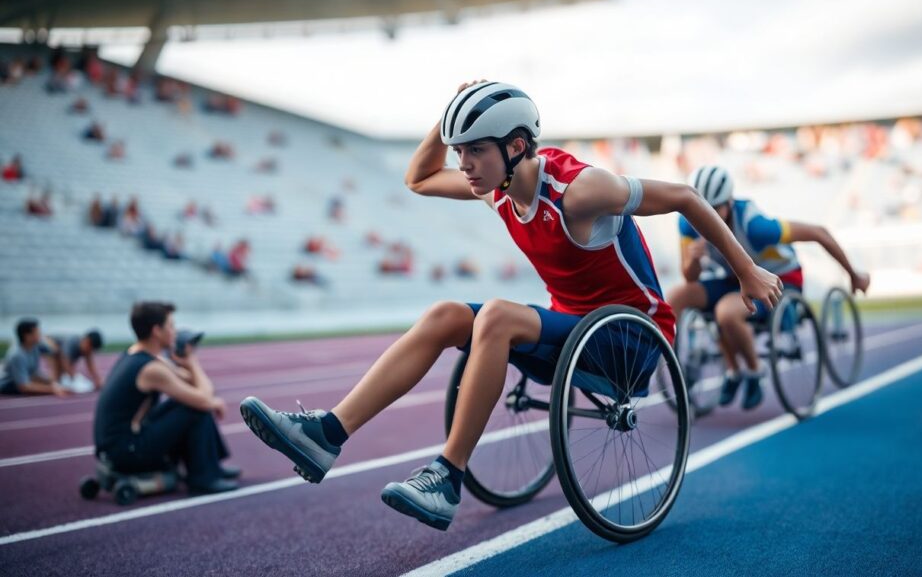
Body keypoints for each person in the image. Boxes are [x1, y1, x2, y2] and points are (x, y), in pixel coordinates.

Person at [239, 81, 782, 531]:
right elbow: (418, 179)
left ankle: (447, 477)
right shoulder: (494, 186)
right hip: (568, 331)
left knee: (496, 314)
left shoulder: (580, 191)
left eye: (475, 150)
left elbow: (687, 197)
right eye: (460, 151)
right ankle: (327, 435)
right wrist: (450, 113)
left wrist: (746, 270)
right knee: (446, 314)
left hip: (631, 338)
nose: (465, 164)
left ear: (518, 146)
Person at [666, 165, 871, 410]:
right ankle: (695, 366)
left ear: (729, 204)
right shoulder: (688, 223)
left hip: (779, 279)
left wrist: (853, 274)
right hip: (735, 279)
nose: (707, 219)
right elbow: (690, 277)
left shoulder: (756, 227)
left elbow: (819, 233)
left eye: (715, 210)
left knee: (726, 313)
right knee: (676, 296)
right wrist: (693, 259)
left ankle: (754, 371)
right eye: (701, 211)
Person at [93, 302, 239, 494]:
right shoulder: (152, 369)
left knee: (185, 403)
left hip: (117, 446)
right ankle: (203, 478)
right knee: (195, 408)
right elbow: (204, 396)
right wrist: (193, 363)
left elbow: (193, 383)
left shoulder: (138, 354)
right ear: (156, 331)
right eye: (171, 326)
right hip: (126, 452)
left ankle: (212, 467)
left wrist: (188, 366)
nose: (175, 331)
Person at [0, 318, 67, 396]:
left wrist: (54, 381)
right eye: (37, 332)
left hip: (30, 379)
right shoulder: (17, 355)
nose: (40, 335)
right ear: (27, 336)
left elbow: (56, 351)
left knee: (49, 381)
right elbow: (24, 387)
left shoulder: (36, 345)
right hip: (10, 386)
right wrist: (52, 389)